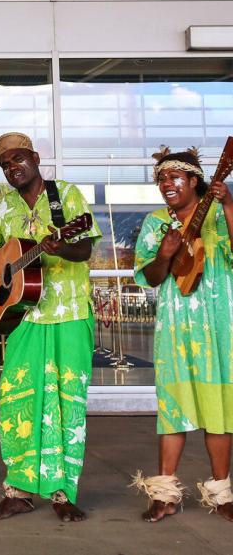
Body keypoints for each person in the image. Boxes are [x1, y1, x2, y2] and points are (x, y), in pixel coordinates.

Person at [0, 132, 101, 522]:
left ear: (36, 158)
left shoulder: (66, 196)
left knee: (66, 400)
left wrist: (61, 246)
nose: (13, 168)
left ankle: (63, 492)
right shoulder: (4, 207)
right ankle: (18, 490)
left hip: (70, 314)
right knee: (17, 398)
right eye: (6, 164)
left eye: (18, 160)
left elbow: (86, 249)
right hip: (25, 316)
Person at [131, 146, 233, 522]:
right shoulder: (157, 222)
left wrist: (229, 204)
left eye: (175, 177)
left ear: (195, 180)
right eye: (160, 179)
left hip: (220, 328)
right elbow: (152, 278)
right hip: (174, 329)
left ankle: (222, 494)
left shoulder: (220, 217)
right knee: (172, 412)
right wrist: (164, 255)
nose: (166, 184)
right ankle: (164, 494)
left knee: (221, 411)